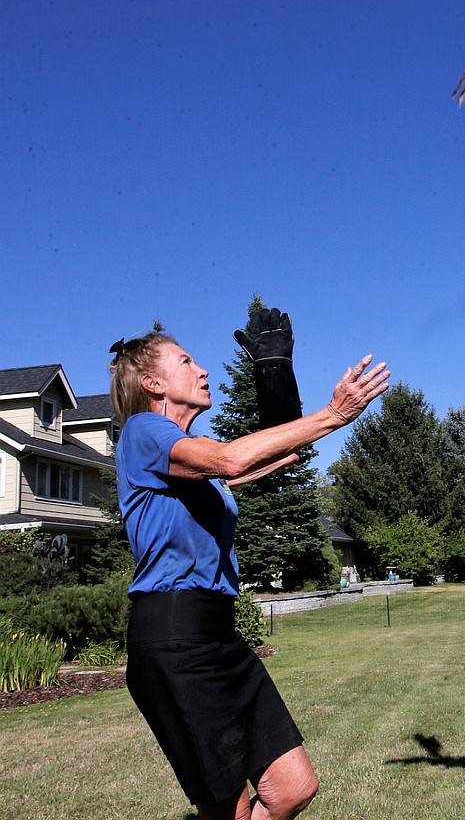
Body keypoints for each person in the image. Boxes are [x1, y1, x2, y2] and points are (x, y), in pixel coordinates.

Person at [108, 319, 389, 820]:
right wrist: (335, 414)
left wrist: (273, 370)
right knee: (229, 810)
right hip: (175, 638)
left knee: (293, 788)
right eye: (186, 361)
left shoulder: (190, 462)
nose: (203, 369)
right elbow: (234, 461)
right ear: (152, 383)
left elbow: (279, 455)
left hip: (219, 636)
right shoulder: (144, 431)